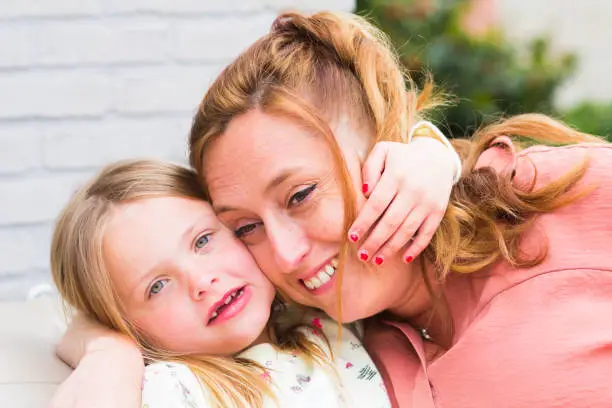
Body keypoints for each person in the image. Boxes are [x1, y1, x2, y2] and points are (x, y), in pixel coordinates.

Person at [185, 10, 612, 408]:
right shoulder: (324, 358)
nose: (285, 254)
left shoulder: (561, 198)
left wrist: (430, 146)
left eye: (301, 196)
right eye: (245, 227)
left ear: (387, 144)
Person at [49, 121, 461, 408]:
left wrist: (433, 157)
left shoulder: (320, 315)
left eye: (203, 240)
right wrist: (110, 353)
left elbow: (400, 134)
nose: (201, 282)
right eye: (156, 286)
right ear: (130, 327)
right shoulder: (174, 388)